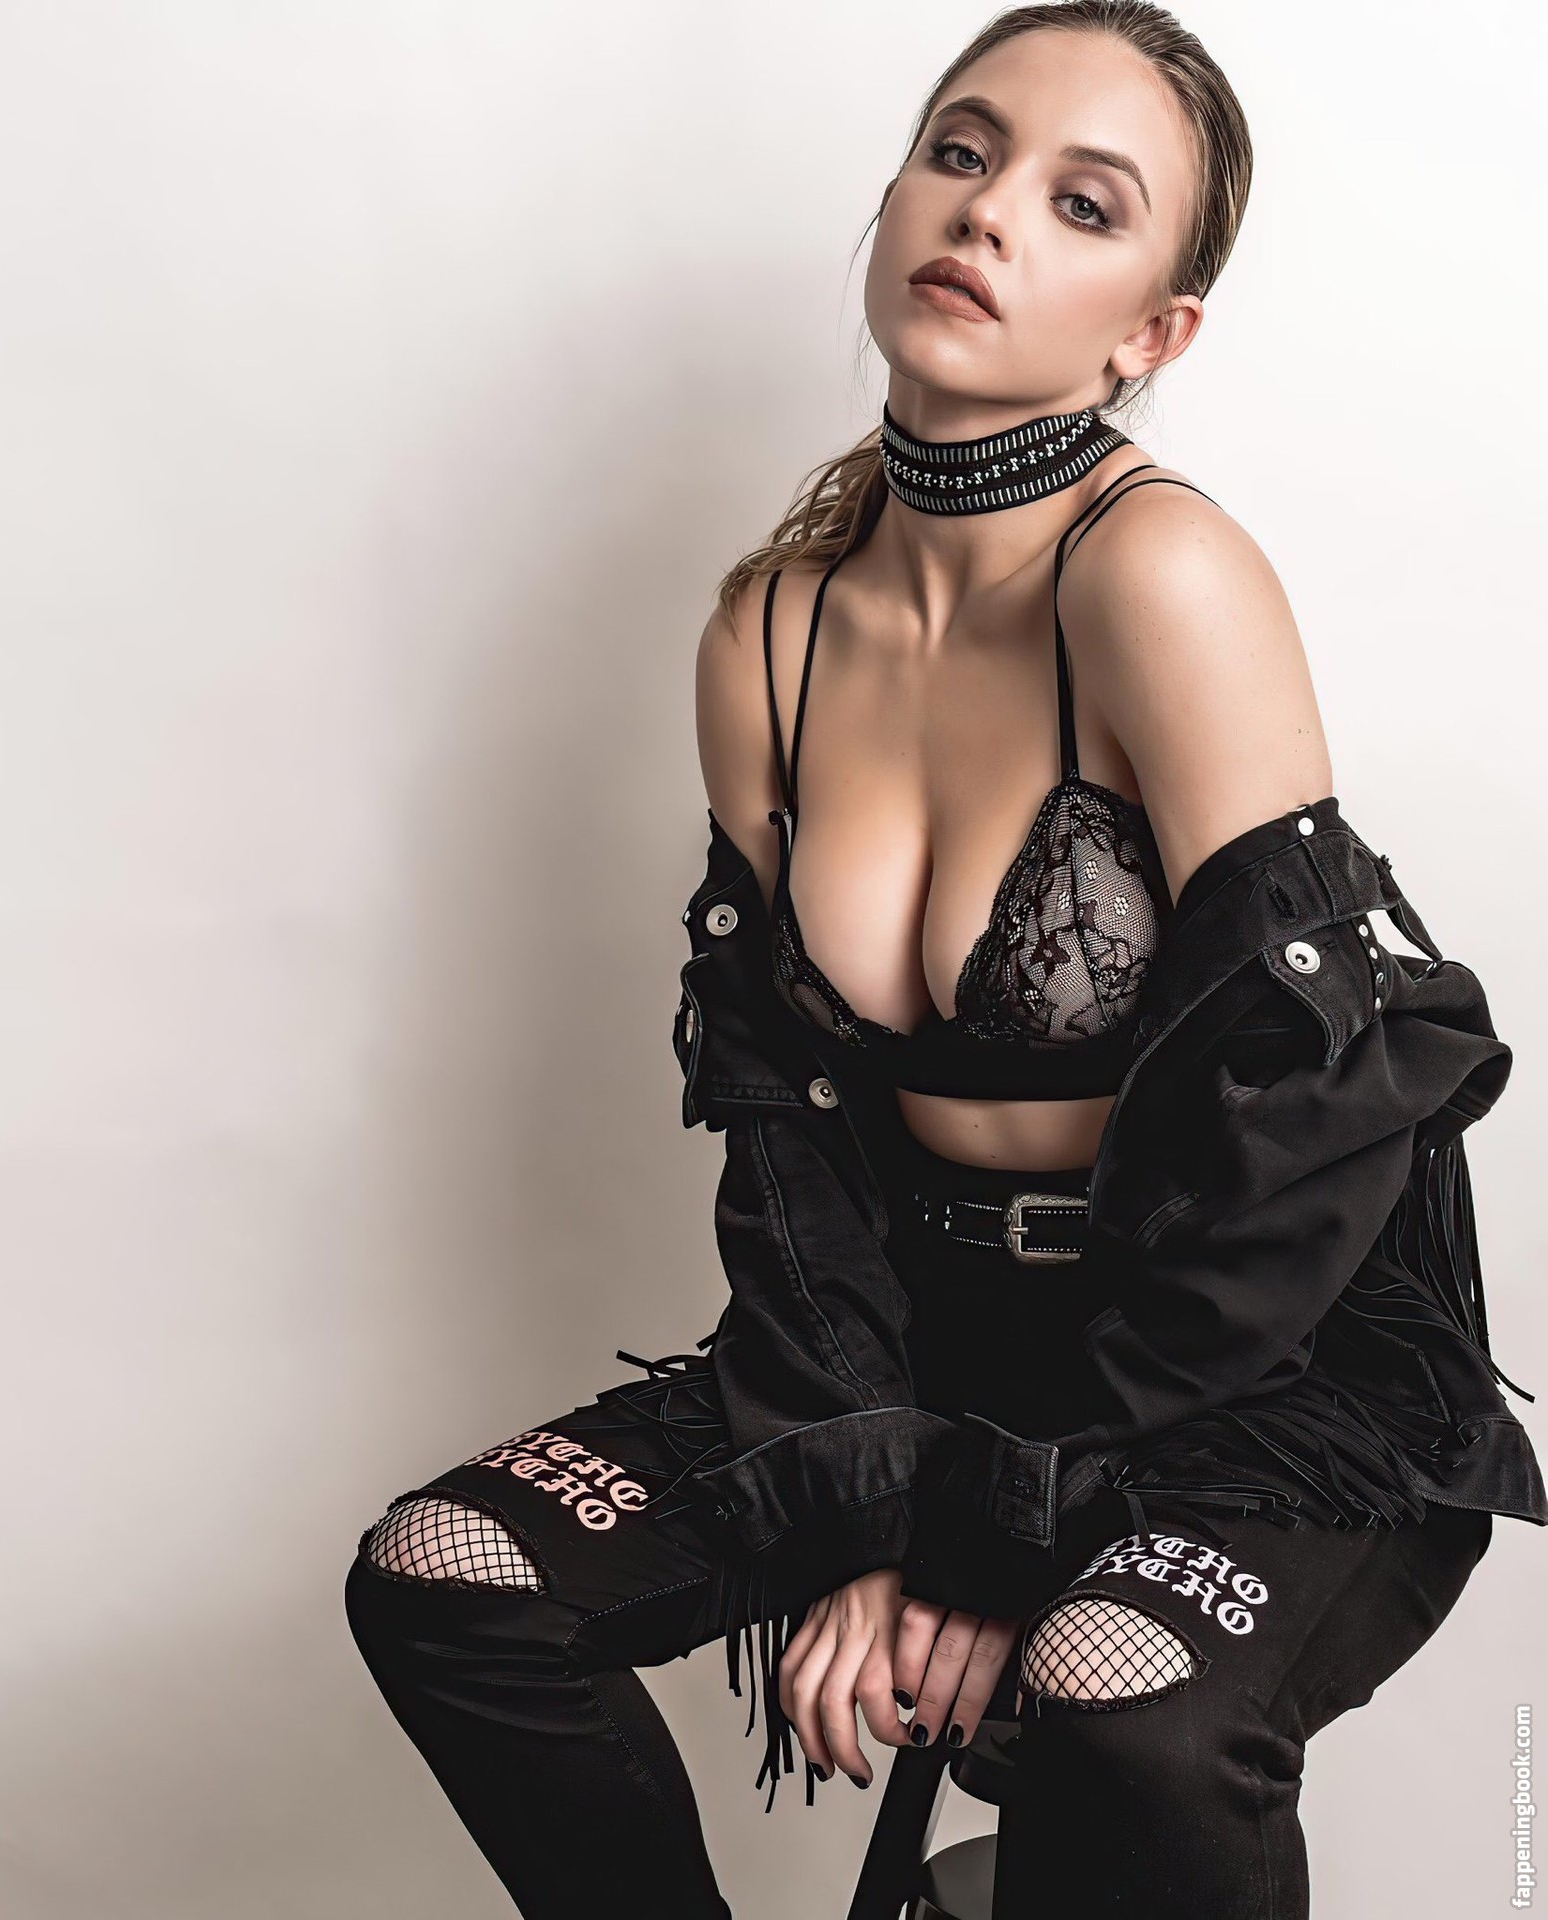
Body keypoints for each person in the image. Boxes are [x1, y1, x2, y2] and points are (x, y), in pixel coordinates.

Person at [342, 5, 1546, 1915]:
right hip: (929, 1338)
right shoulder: (766, 638)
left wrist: (998, 1534)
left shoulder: (1156, 578)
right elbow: (791, 1137)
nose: (986, 214)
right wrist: (859, 1489)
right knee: (450, 1578)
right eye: (962, 152)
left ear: (1151, 335)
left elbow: (1308, 1128)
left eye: (1083, 204)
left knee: (1119, 1705)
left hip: (1256, 1360)